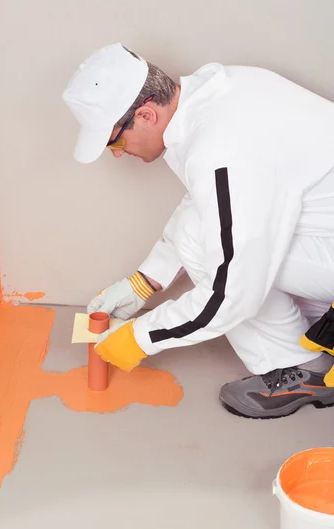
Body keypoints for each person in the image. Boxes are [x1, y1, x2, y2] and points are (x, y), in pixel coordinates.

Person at [63, 42, 334, 419]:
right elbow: (213, 206)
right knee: (207, 234)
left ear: (145, 114)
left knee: (215, 256)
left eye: (115, 140)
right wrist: (145, 281)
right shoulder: (222, 93)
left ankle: (303, 370)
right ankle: (311, 331)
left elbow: (232, 292)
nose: (118, 154)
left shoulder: (220, 149)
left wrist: (140, 337)